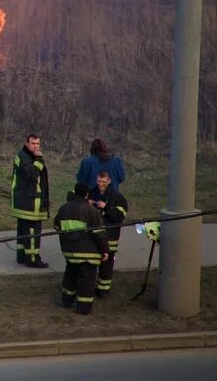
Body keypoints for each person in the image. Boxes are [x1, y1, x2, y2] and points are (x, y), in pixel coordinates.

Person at [54, 182, 110, 315]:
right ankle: (83, 308)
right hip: (88, 254)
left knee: (70, 277)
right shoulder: (91, 211)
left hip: (70, 252)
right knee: (87, 281)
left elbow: (57, 226)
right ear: (86, 194)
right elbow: (99, 234)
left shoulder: (64, 209)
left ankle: (66, 301)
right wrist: (105, 250)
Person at [10, 133, 50, 268]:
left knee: (23, 231)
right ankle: (32, 259)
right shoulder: (24, 157)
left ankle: (21, 256)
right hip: (29, 204)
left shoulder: (27, 156)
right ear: (27, 144)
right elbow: (32, 174)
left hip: (25, 202)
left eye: (38, 144)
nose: (36, 146)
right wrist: (39, 160)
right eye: (33, 143)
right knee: (33, 231)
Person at [90, 169, 128, 298]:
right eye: (99, 181)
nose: (101, 184)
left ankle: (103, 290)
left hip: (109, 237)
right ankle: (89, 287)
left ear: (109, 181)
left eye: (104, 182)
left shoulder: (117, 197)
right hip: (93, 237)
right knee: (91, 264)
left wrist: (105, 207)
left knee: (106, 266)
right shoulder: (91, 193)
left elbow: (120, 216)